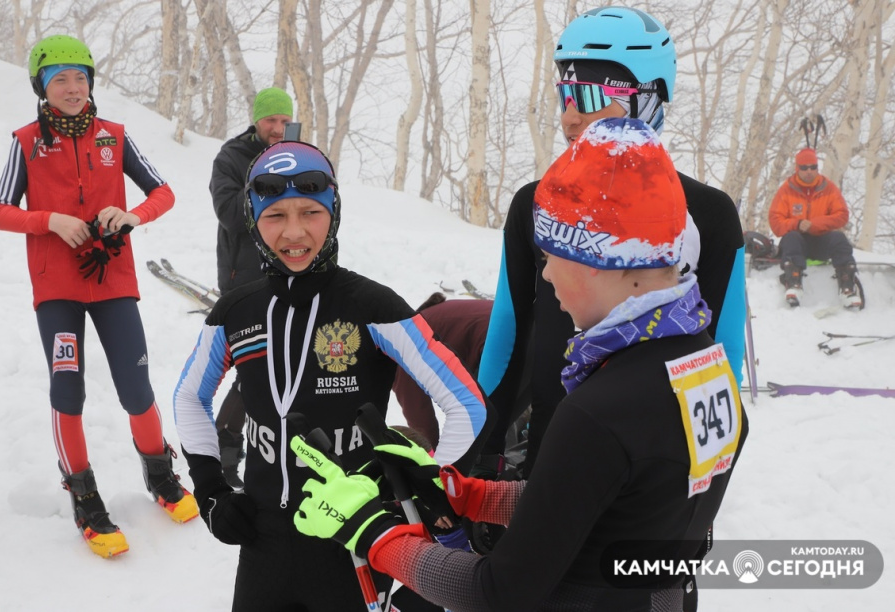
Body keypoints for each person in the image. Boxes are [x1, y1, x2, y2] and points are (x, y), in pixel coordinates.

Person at [290, 117, 749, 612]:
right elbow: (598, 501)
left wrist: (371, 532)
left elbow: (496, 592)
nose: (546, 275)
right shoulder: (704, 366)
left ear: (600, 258)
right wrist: (463, 493)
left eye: (551, 255)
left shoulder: (600, 410)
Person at [173, 140, 491, 611]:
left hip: (354, 543)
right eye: (275, 215)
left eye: (310, 212)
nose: (294, 231)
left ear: (333, 212)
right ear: (254, 221)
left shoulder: (374, 307)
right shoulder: (236, 312)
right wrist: (212, 490)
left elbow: (465, 404)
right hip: (263, 546)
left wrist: (430, 488)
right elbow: (188, 398)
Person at [476, 6, 747, 481]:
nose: (570, 117)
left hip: (652, 481)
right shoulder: (534, 204)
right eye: (564, 94)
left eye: (588, 96)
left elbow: (721, 362)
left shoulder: (709, 214)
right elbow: (510, 336)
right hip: (551, 464)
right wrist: (480, 450)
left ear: (649, 99)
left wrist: (704, 487)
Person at [0, 35, 196, 559]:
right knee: (69, 389)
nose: (73, 88)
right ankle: (83, 495)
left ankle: (160, 475)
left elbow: (162, 192)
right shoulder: (26, 141)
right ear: (42, 85)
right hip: (56, 285)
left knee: (135, 383)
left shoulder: (115, 136)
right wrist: (50, 220)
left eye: (81, 77)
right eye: (60, 78)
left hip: (112, 279)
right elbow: (0, 210)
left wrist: (131, 215)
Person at [210, 86, 295, 488]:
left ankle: (267, 451)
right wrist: (270, 183)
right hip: (243, 279)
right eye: (270, 121)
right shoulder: (231, 157)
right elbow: (229, 213)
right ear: (256, 120)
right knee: (251, 368)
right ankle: (224, 451)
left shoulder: (297, 155)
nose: (277, 128)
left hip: (288, 274)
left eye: (284, 120)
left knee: (282, 369)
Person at [391, 292, 494, 450]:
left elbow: (422, 423)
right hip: (521, 323)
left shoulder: (400, 351)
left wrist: (432, 464)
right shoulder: (415, 324)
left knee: (479, 430)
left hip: (496, 338)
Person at [768, 147, 860, 309]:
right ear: (797, 169)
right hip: (795, 244)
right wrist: (796, 224)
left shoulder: (829, 188)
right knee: (791, 237)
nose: (809, 171)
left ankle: (847, 288)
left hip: (821, 241)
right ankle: (793, 284)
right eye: (804, 167)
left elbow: (842, 215)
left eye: (813, 167)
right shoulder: (786, 190)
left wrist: (816, 224)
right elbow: (775, 222)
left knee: (839, 239)